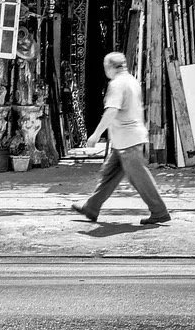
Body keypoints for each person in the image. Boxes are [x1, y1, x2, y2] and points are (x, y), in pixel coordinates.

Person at [71, 52, 171, 225]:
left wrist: (95, 135)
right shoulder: (131, 81)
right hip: (126, 139)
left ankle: (159, 211)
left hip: (128, 141)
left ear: (110, 67)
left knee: (139, 177)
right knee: (109, 175)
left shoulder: (117, 84)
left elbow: (111, 111)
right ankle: (91, 207)